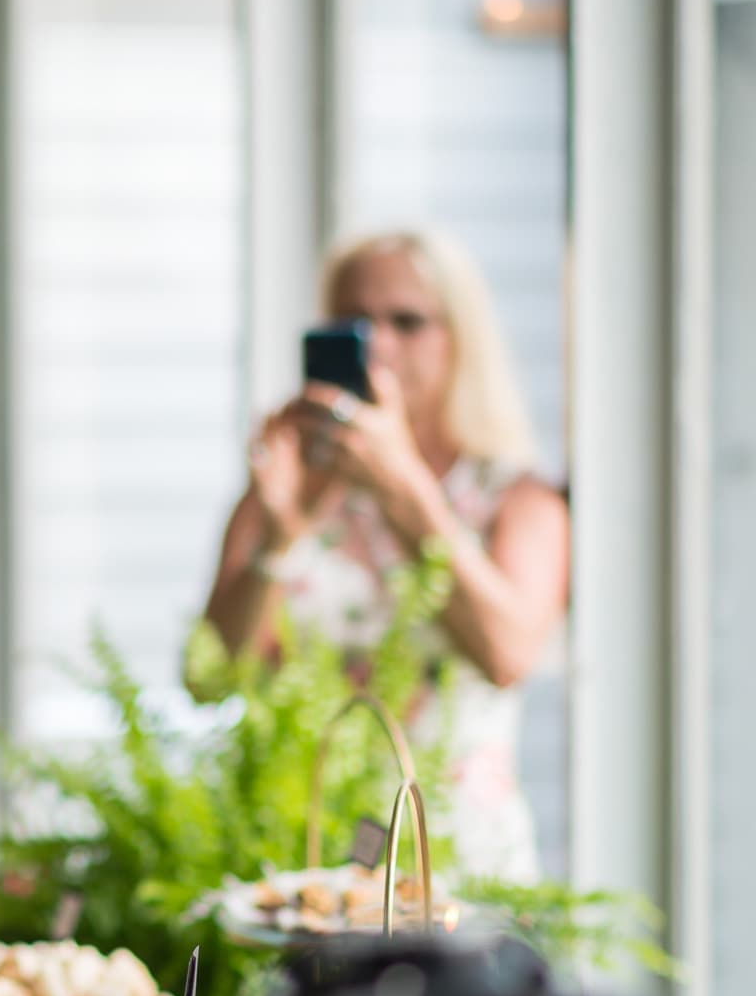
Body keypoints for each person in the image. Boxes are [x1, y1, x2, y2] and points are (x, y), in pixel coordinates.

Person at [200, 229, 568, 880]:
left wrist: (404, 490)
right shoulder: (286, 488)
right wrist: (281, 537)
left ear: (460, 338)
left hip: (458, 863)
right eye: (354, 322)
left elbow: (509, 653)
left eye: (407, 321)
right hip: (306, 861)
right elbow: (211, 675)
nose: (381, 345)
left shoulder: (516, 498)